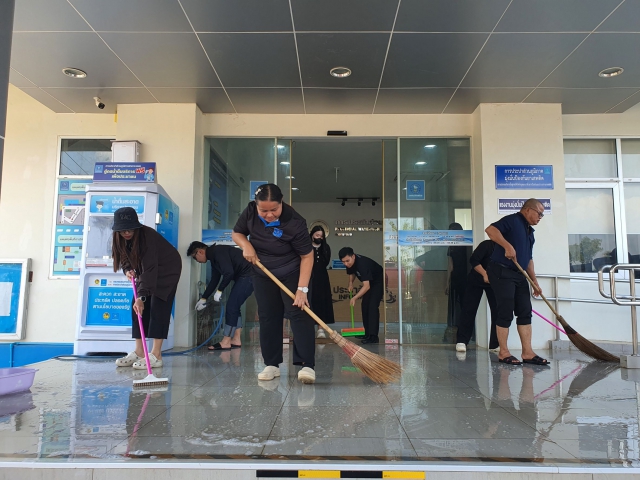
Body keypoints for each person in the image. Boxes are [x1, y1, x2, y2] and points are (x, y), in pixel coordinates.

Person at [232, 183, 317, 384]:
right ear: (256, 205)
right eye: (264, 211)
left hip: (292, 272)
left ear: (281, 203)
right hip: (263, 272)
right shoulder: (250, 212)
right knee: (268, 316)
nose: (269, 215)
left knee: (299, 313)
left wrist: (302, 289)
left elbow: (307, 256)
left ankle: (306, 365)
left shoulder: (295, 222)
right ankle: (272, 364)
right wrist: (246, 245)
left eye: (274, 210)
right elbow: (237, 233)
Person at [111, 207, 182, 370]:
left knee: (158, 305)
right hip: (147, 270)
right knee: (136, 307)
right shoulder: (120, 238)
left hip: (167, 269)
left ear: (136, 226)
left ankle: (156, 355)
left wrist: (141, 297)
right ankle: (139, 351)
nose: (126, 233)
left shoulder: (147, 236)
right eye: (122, 230)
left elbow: (150, 269)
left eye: (130, 229)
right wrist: (127, 269)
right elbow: (124, 257)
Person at [485, 198, 549, 366]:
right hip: (502, 271)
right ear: (528, 210)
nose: (540, 217)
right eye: (539, 213)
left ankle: (527, 352)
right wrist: (507, 246)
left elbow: (528, 259)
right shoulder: (513, 220)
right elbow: (490, 230)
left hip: (519, 274)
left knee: (525, 311)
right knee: (505, 311)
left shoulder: (530, 232)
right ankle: (503, 352)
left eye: (542, 215)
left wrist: (534, 281)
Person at [186, 241, 254, 351]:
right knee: (234, 306)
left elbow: (229, 273)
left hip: (249, 276)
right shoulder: (214, 257)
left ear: (200, 252)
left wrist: (220, 290)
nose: (196, 261)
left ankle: (226, 341)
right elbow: (214, 280)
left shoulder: (218, 252)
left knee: (232, 306)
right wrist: (204, 298)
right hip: (245, 277)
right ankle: (236, 339)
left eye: (195, 257)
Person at [455, 240, 499, 353]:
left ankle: (495, 344)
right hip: (476, 280)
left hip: (495, 282)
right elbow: (474, 260)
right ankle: (462, 340)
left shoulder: (509, 248)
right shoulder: (487, 245)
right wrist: (484, 274)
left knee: (498, 311)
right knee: (469, 309)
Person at [339, 247, 384, 344]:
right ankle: (367, 333)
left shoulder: (362, 264)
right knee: (365, 305)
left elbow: (366, 286)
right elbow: (351, 273)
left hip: (378, 281)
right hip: (369, 282)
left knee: (372, 306)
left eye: (347, 261)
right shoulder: (349, 263)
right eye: (343, 262)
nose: (346, 264)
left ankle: (373, 336)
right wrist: (350, 283)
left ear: (353, 256)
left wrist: (355, 298)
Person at [444, 222, 470, 343]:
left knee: (453, 307)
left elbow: (451, 266)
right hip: (467, 278)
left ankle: (451, 331)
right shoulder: (468, 244)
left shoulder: (452, 247)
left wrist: (447, 283)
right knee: (466, 306)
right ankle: (467, 333)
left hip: (456, 278)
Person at [309, 226, 335, 339]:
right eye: (317, 235)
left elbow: (326, 262)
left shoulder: (326, 247)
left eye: (321, 236)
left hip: (322, 278)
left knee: (322, 302)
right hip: (309, 277)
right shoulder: (307, 246)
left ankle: (320, 329)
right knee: (310, 301)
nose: (319, 237)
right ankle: (309, 328)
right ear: (312, 235)